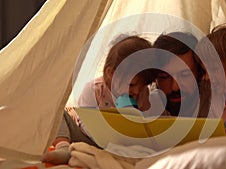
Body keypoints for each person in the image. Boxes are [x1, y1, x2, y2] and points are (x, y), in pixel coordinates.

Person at [42, 35, 156, 164]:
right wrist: (110, 124)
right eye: (132, 85)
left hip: (125, 144)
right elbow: (86, 124)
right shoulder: (94, 90)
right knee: (56, 113)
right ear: (111, 73)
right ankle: (64, 149)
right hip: (90, 140)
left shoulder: (142, 93)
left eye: (142, 86)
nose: (136, 92)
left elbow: (146, 124)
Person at [152, 31, 209, 117]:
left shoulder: (219, 106)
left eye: (184, 75)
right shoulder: (147, 109)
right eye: (164, 77)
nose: (175, 87)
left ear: (200, 74)